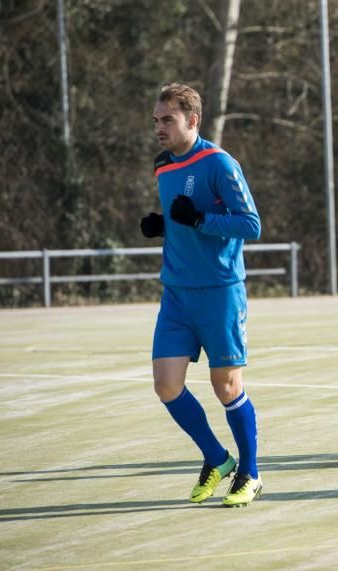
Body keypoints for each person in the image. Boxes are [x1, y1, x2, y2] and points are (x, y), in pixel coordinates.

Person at [140, 83, 263, 506]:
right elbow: (181, 218)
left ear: (192, 121)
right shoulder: (161, 165)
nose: (159, 128)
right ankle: (216, 458)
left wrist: (199, 220)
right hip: (176, 293)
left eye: (167, 120)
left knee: (226, 386)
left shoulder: (220, 164)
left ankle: (250, 473)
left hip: (220, 292)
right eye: (156, 120)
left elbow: (251, 225)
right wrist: (164, 225)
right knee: (166, 384)